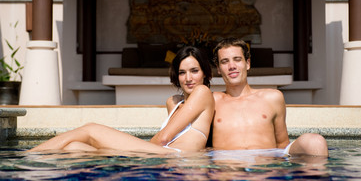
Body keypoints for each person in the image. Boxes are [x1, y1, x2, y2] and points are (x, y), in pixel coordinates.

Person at [28, 46, 215, 153]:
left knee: (91, 129)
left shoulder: (203, 92)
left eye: (194, 71)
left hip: (174, 157)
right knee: (74, 148)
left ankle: (27, 158)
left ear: (205, 73)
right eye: (182, 72)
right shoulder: (173, 102)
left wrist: (136, 151)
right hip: (163, 155)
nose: (188, 78)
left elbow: (164, 138)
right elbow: (177, 135)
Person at [210, 37, 328, 156]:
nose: (232, 66)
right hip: (227, 167)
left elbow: (282, 144)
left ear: (247, 64)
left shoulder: (272, 98)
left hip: (265, 166)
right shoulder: (212, 100)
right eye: (225, 61)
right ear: (219, 69)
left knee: (315, 142)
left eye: (237, 59)